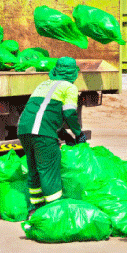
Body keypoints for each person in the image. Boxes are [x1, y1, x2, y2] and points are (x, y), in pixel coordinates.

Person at [17, 56, 87, 211]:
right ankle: (54, 211)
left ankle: (36, 209)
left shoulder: (44, 84)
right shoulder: (69, 87)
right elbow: (69, 113)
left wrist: (64, 135)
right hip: (42, 133)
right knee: (49, 171)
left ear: (55, 70)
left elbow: (43, 113)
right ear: (74, 73)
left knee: (34, 169)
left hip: (24, 130)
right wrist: (78, 133)